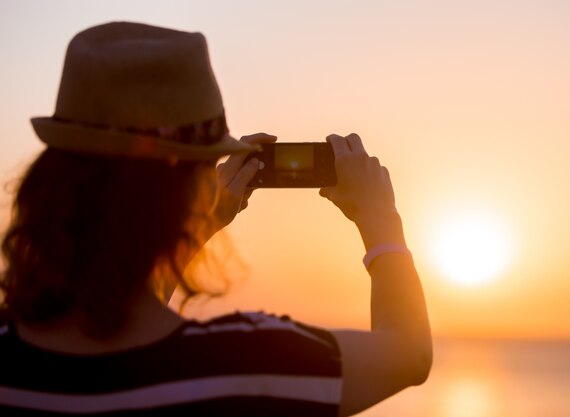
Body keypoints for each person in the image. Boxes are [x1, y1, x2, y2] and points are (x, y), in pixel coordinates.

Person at [0, 22, 432, 416]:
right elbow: (408, 354)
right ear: (186, 189)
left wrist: (198, 222)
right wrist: (381, 221)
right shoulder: (239, 364)